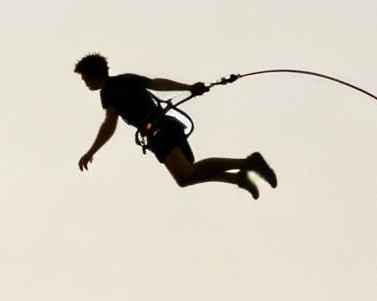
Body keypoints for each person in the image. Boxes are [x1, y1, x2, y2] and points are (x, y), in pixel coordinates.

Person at [74, 53, 277, 198]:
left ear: (92, 75)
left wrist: (91, 151)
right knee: (185, 177)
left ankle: (249, 163)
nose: (85, 83)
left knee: (187, 174)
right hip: (167, 127)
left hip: (159, 131)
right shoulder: (126, 79)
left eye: (84, 78)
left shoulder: (107, 91)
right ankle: (238, 179)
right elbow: (156, 83)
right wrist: (189, 88)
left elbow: (109, 124)